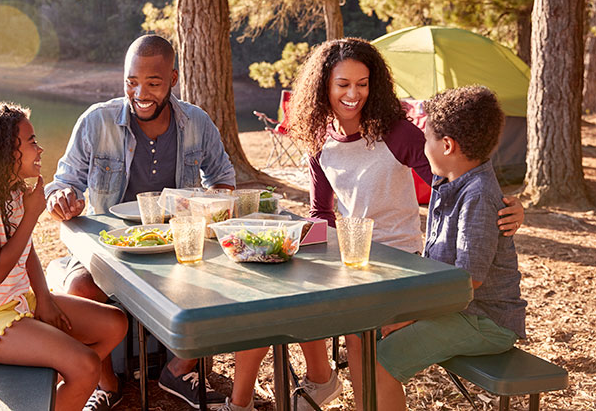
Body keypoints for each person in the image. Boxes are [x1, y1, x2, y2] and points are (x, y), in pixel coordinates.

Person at [217, 38, 525, 411]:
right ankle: (311, 383)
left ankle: (364, 400)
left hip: (398, 259)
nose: (353, 93)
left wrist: (508, 209)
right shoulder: (319, 138)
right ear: (324, 86)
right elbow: (322, 212)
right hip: (349, 255)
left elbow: (455, 180)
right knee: (279, 297)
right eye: (343, 84)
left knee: (360, 338)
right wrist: (291, 242)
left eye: (362, 84)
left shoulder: (397, 133)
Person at [45, 34, 234, 409]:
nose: (140, 92)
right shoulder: (96, 121)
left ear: (174, 79)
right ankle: (106, 383)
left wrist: (206, 205)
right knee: (81, 287)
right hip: (109, 248)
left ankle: (178, 371)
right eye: (132, 81)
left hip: (178, 247)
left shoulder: (196, 123)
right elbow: (64, 181)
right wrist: (61, 198)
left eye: (153, 83)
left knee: (233, 282)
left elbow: (223, 179)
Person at [0, 103, 128, 411]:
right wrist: (33, 214)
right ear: (4, 151)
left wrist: (44, 299)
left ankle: (59, 393)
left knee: (114, 323)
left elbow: (26, 250)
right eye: (31, 141)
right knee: (86, 365)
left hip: (17, 302)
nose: (40, 148)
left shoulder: (12, 191)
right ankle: (70, 384)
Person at [344, 85, 527, 410]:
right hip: (459, 310)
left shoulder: (478, 195)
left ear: (447, 145)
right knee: (367, 331)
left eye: (426, 139)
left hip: (485, 321)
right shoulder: (452, 181)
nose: (422, 146)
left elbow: (469, 279)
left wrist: (412, 316)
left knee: (382, 360)